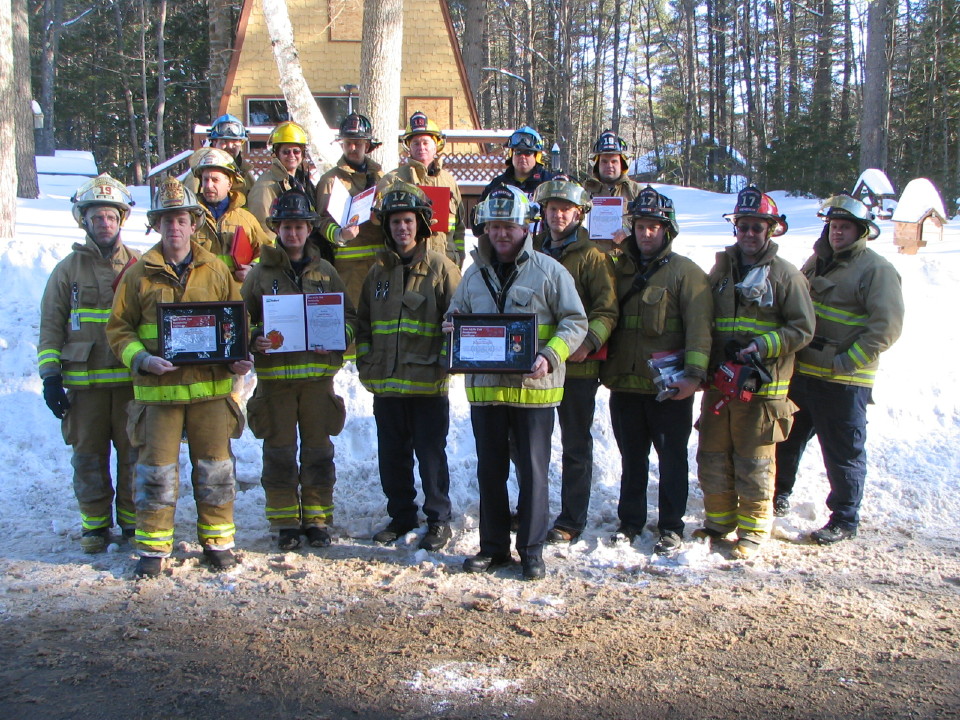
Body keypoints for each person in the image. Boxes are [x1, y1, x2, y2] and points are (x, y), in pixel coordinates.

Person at [106, 177, 254, 578]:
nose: (175, 228)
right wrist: (142, 361)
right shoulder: (139, 274)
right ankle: (153, 547)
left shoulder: (216, 270)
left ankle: (218, 540)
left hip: (210, 392)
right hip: (160, 392)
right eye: (167, 220)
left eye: (182, 220)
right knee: (155, 472)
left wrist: (237, 359)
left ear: (194, 224)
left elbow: (234, 324)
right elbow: (118, 330)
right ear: (157, 225)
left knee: (216, 470)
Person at [445, 186, 587, 580]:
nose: (502, 233)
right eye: (495, 226)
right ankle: (493, 548)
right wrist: (453, 326)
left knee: (533, 473)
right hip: (487, 394)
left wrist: (549, 355)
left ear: (526, 227)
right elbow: (456, 313)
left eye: (510, 226)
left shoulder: (549, 271)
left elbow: (576, 321)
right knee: (489, 473)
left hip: (534, 394)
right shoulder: (473, 274)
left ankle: (532, 550)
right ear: (485, 229)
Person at [774, 193, 904, 544]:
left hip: (844, 381)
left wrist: (845, 362)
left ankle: (845, 518)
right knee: (785, 439)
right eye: (833, 226)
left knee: (843, 452)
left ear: (861, 231)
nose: (837, 232)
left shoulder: (877, 270)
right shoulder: (817, 260)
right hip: (804, 374)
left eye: (845, 227)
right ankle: (778, 494)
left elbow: (886, 328)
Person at [695, 186, 815, 560]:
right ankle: (718, 523)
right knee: (713, 456)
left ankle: (752, 531)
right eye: (743, 226)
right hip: (721, 385)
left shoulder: (785, 276)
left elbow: (802, 328)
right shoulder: (721, 271)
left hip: (762, 391)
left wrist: (763, 346)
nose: (749, 234)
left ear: (771, 230)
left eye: (757, 228)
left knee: (754, 463)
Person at [599, 186, 712, 554]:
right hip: (625, 386)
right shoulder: (617, 270)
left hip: (669, 389)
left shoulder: (687, 274)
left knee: (672, 460)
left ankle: (671, 527)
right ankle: (629, 522)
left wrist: (693, 376)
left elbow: (699, 329)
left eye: (654, 227)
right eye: (641, 226)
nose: (646, 234)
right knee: (632, 459)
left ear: (668, 230)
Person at [241, 189, 356, 551]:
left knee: (319, 452)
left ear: (310, 229)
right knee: (278, 452)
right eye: (286, 227)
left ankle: (318, 519)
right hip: (275, 384)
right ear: (277, 228)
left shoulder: (326, 273)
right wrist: (254, 339)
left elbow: (349, 318)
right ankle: (286, 521)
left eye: (300, 227)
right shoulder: (259, 275)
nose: (293, 234)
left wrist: (339, 337)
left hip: (317, 383)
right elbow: (241, 322)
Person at [38, 174, 141, 553]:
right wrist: (50, 377)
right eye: (97, 217)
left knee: (134, 455)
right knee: (88, 457)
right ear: (84, 220)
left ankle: (132, 523)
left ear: (121, 221)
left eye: (111, 217)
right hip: (83, 389)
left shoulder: (138, 267)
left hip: (130, 384)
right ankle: (95, 526)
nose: (104, 224)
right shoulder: (67, 271)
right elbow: (51, 326)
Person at [357, 182, 461, 552]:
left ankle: (438, 520)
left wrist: (446, 364)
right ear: (386, 227)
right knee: (392, 457)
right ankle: (401, 516)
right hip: (386, 384)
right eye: (395, 222)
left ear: (421, 224)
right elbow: (364, 322)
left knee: (431, 456)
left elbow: (458, 322)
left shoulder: (440, 268)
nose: (402, 228)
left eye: (408, 221)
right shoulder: (378, 272)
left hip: (427, 384)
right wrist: (366, 360)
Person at [528, 177, 618, 545]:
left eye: (566, 209)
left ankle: (571, 519)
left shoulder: (594, 258)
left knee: (575, 446)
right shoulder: (530, 251)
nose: (558, 215)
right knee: (530, 445)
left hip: (577, 368)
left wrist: (588, 341)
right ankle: (532, 509)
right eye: (552, 208)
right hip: (533, 367)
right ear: (543, 212)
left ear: (579, 214)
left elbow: (607, 311)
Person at [315, 112, 386, 306]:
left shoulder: (381, 178)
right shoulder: (331, 181)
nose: (352, 148)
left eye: (358, 142)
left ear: (368, 145)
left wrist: (380, 218)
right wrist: (340, 234)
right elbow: (321, 221)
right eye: (348, 143)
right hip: (349, 270)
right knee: (354, 321)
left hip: (381, 266)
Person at [380, 111, 464, 266]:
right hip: (407, 263)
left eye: (426, 143)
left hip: (445, 262)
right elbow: (379, 224)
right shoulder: (393, 180)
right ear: (408, 147)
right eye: (416, 143)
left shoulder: (448, 181)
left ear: (436, 146)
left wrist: (459, 256)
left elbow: (459, 226)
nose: (421, 147)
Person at [190, 147, 267, 284]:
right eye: (205, 179)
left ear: (229, 183)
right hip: (202, 293)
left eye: (215, 180)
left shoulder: (246, 219)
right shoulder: (190, 219)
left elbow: (266, 250)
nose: (208, 185)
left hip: (238, 294)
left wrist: (253, 268)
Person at [476, 126, 555, 235]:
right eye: (518, 152)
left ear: (537, 156)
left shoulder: (549, 184)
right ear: (511, 154)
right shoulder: (497, 185)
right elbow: (478, 225)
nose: (522, 157)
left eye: (528, 152)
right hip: (505, 246)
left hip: (540, 248)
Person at [247, 121, 318, 243]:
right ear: (276, 154)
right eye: (286, 151)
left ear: (303, 153)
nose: (291, 155)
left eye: (296, 151)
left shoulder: (302, 181)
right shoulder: (266, 186)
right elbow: (264, 230)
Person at [582, 130, 642, 256]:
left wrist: (628, 230)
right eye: (604, 161)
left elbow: (651, 223)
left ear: (622, 163)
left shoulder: (636, 191)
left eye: (614, 161)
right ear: (597, 164)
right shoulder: (584, 191)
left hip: (627, 260)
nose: (609, 165)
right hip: (592, 259)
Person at [185, 114, 256, 197]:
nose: (229, 146)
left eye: (234, 141)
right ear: (214, 143)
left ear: (241, 143)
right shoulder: (196, 177)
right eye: (224, 141)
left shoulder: (246, 175)